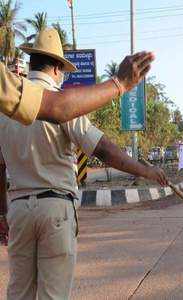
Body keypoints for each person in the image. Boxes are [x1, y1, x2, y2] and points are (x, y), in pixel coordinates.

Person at [0, 28, 168, 300]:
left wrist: (2, 213)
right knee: (53, 295)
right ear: (56, 67)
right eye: (62, 69)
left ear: (32, 64)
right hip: (55, 208)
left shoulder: (6, 106)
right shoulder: (62, 103)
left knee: (19, 293)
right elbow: (104, 150)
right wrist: (147, 171)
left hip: (18, 210)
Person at [0, 44, 154, 125]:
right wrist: (119, 84)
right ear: (56, 68)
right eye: (63, 72)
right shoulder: (69, 105)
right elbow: (102, 148)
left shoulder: (7, 102)